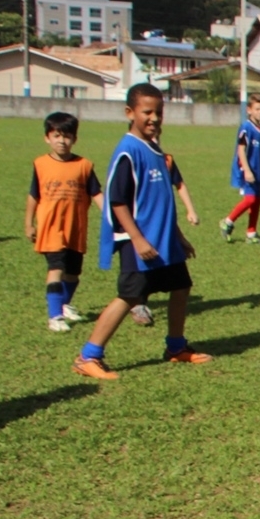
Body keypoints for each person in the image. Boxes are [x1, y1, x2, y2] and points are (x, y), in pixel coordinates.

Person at [72, 83, 210, 380]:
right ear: (129, 112)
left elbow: (162, 201)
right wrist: (137, 238)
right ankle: (88, 356)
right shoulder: (128, 151)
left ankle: (175, 348)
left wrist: (178, 237)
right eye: (147, 112)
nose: (154, 118)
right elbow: (117, 201)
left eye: (158, 112)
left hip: (164, 241)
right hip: (140, 242)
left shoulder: (156, 149)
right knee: (129, 296)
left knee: (181, 287)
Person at [24, 111, 101, 332]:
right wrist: (29, 223)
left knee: (73, 273)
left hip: (75, 228)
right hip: (51, 227)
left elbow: (96, 193)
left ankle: (64, 305)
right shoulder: (40, 164)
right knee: (56, 268)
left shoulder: (84, 165)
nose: (62, 141)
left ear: (74, 139)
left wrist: (111, 215)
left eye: (67, 137)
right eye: (56, 136)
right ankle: (54, 316)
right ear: (47, 138)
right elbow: (33, 195)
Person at [220, 95, 260, 244]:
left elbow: (259, 154)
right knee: (250, 198)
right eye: (257, 109)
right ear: (249, 110)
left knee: (257, 200)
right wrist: (247, 170)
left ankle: (251, 233)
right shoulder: (246, 128)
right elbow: (241, 150)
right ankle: (228, 221)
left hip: (256, 170)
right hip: (245, 169)